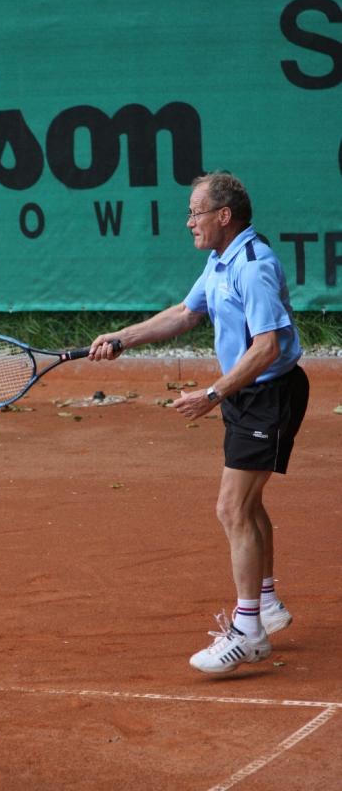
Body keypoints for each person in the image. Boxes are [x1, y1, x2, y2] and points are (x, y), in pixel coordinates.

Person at [89, 171, 309, 674]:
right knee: (248, 504)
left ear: (224, 216)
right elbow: (186, 314)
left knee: (232, 508)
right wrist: (123, 338)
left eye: (196, 212)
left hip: (267, 395)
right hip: (246, 394)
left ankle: (248, 630)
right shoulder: (220, 261)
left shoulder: (253, 266)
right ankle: (266, 604)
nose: (189, 221)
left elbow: (268, 347)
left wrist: (213, 393)